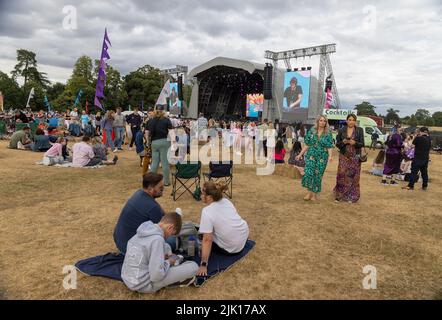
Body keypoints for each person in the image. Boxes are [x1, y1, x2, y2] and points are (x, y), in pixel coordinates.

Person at [121, 212, 199, 293]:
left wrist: (161, 258)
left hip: (128, 279)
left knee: (166, 246)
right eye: (171, 234)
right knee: (194, 267)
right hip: (144, 285)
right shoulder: (157, 240)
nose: (168, 237)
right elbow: (156, 276)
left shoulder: (142, 232)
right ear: (170, 227)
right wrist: (169, 262)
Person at [197, 181, 249, 277]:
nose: (200, 195)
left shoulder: (206, 211)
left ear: (209, 197)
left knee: (203, 235)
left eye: (202, 193)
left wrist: (203, 264)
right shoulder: (226, 201)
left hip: (232, 248)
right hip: (243, 236)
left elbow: (207, 240)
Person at [113, 173, 167, 254]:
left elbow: (160, 210)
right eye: (161, 188)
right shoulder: (153, 207)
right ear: (150, 189)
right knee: (173, 240)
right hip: (131, 249)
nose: (163, 190)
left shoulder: (140, 193)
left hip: (120, 241)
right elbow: (163, 232)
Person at [296, 115, 334, 201]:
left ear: (326, 122)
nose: (322, 122)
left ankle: (314, 195)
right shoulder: (312, 131)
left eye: (324, 121)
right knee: (309, 173)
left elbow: (329, 146)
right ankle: (309, 193)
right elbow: (307, 144)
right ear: (317, 121)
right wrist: (300, 154)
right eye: (321, 120)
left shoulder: (328, 133)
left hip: (322, 157)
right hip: (311, 155)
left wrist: (330, 156)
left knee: (318, 175)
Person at [334, 114, 365, 203]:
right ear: (347, 121)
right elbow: (337, 144)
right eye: (349, 119)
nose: (351, 121)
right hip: (343, 155)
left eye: (353, 120)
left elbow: (362, 143)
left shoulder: (359, 130)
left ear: (355, 121)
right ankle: (339, 196)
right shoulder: (341, 130)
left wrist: (354, 142)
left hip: (355, 156)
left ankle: (352, 196)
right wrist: (343, 142)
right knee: (341, 174)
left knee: (353, 176)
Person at [146, 108, 176, 186]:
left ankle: (152, 182)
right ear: (163, 112)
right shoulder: (166, 120)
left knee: (154, 162)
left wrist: (147, 142)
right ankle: (166, 182)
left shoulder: (150, 121)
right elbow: (171, 132)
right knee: (165, 162)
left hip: (154, 142)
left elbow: (147, 132)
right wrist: (174, 141)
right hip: (164, 142)